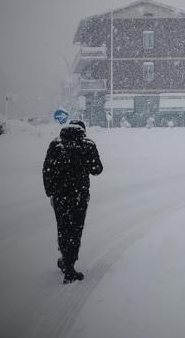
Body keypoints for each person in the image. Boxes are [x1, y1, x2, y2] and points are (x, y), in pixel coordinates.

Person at [42, 120, 103, 284]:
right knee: (76, 230)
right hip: (79, 195)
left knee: (63, 228)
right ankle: (69, 266)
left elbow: (47, 169)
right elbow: (97, 169)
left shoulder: (55, 144)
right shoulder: (88, 145)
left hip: (60, 196)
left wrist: (50, 192)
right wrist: (85, 161)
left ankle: (65, 259)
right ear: (83, 130)